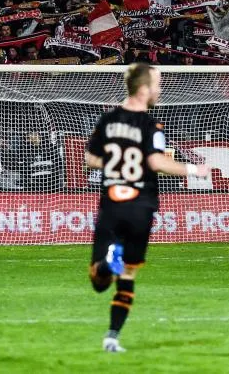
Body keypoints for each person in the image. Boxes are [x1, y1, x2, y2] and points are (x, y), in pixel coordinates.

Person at [85, 63, 209, 353]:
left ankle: (109, 262)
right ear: (143, 89)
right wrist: (194, 169)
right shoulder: (151, 126)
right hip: (140, 207)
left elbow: (90, 159)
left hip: (112, 204)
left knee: (99, 282)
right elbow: (156, 162)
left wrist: (114, 164)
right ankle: (112, 338)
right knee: (128, 275)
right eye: (157, 85)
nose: (159, 90)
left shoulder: (107, 120)